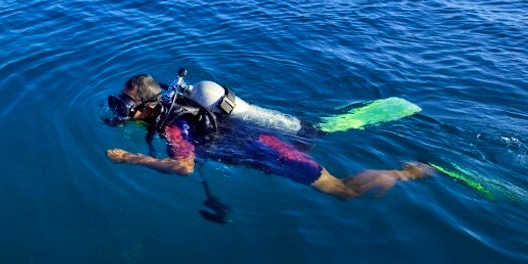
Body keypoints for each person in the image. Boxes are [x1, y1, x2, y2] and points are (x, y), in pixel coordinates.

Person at [105, 73, 433, 200]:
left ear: (148, 105)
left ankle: (405, 173)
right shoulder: (170, 107)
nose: (120, 108)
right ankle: (313, 132)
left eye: (125, 103)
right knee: (314, 142)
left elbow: (184, 167)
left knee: (341, 190)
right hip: (254, 138)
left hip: (265, 149)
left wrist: (130, 158)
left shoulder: (174, 125)